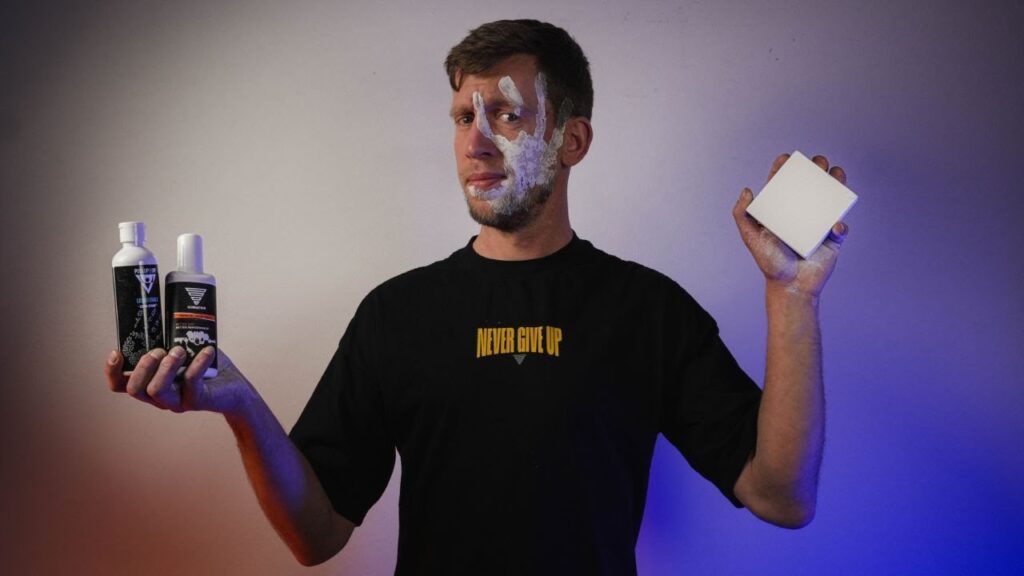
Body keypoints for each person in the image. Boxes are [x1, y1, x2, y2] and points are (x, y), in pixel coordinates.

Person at [105, 19, 850, 574]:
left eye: (508, 114)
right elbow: (316, 535)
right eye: (464, 117)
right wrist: (240, 406)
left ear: (573, 140)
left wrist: (791, 298)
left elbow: (781, 498)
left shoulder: (647, 311)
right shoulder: (396, 315)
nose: (476, 141)